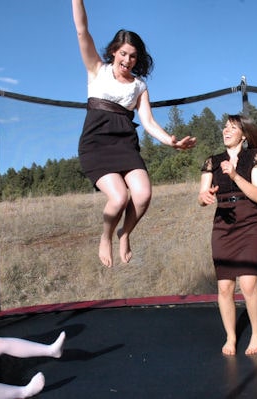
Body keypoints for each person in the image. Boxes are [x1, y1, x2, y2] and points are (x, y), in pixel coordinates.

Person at [71, 0, 196, 267]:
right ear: (114, 52)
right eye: (124, 54)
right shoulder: (97, 70)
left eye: (133, 56)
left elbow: (148, 122)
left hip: (125, 144)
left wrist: (171, 141)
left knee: (143, 194)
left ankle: (124, 233)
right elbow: (83, 32)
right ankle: (105, 237)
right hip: (95, 143)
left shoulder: (139, 85)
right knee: (118, 197)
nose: (128, 60)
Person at [198, 114, 257, 355]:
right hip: (223, 225)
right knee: (225, 287)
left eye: (232, 127)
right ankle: (231, 337)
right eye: (224, 126)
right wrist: (205, 198)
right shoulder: (212, 161)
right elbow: (201, 195)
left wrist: (235, 175)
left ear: (244, 134)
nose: (226, 130)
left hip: (251, 223)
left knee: (248, 284)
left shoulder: (254, 157)